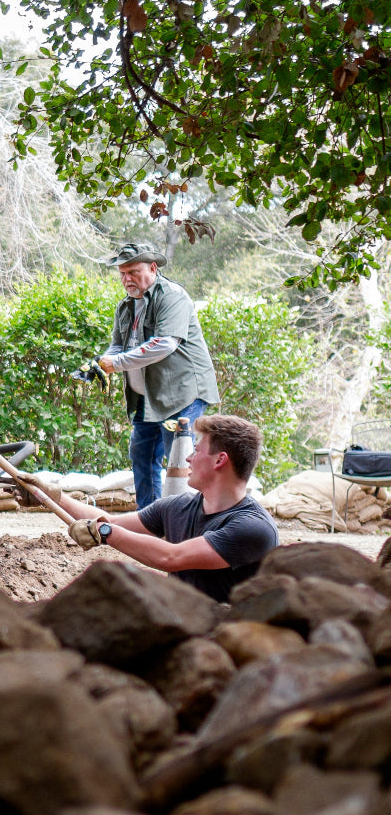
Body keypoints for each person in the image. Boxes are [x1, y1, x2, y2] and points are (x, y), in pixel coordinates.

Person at [44, 413, 277, 602]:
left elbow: (171, 557)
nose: (188, 459)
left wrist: (104, 532)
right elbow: (110, 521)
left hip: (230, 643)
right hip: (184, 627)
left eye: (196, 450)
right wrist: (52, 496)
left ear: (220, 460)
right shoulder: (177, 507)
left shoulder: (252, 527)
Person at [88, 241, 221, 508]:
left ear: (152, 267)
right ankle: (150, 519)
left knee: (181, 459)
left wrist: (118, 362)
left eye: (134, 272)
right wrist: (102, 362)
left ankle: (185, 521)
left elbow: (165, 343)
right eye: (122, 273)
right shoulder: (125, 306)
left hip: (182, 394)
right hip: (146, 397)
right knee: (142, 455)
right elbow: (117, 345)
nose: (127, 279)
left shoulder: (172, 296)